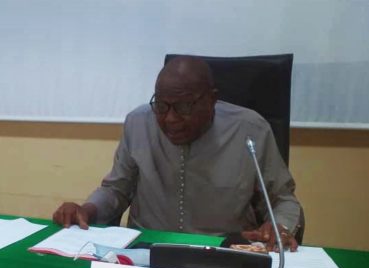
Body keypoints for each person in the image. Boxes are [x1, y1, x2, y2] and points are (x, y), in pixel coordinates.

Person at [53, 56, 302, 251]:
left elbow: (283, 200)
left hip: (224, 252)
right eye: (161, 106)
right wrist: (87, 209)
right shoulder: (138, 123)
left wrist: (279, 226)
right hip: (148, 250)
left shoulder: (251, 130)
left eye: (184, 107)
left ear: (211, 100)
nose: (170, 118)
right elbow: (116, 189)